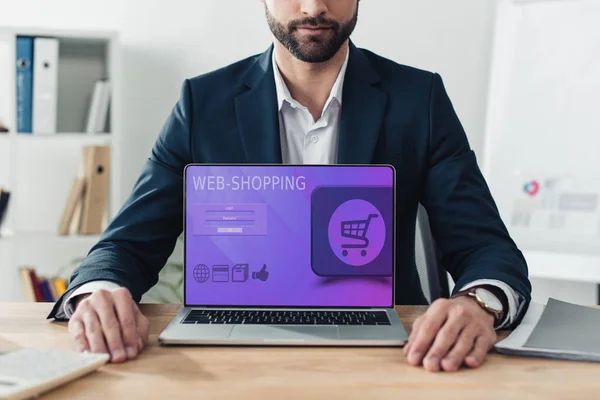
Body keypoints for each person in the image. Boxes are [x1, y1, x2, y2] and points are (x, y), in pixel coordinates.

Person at [48, 0, 531, 373]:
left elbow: (486, 246)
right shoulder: (203, 102)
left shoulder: (418, 99)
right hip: (230, 360)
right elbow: (126, 244)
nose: (314, 7)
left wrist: (477, 304)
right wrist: (101, 292)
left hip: (391, 357)